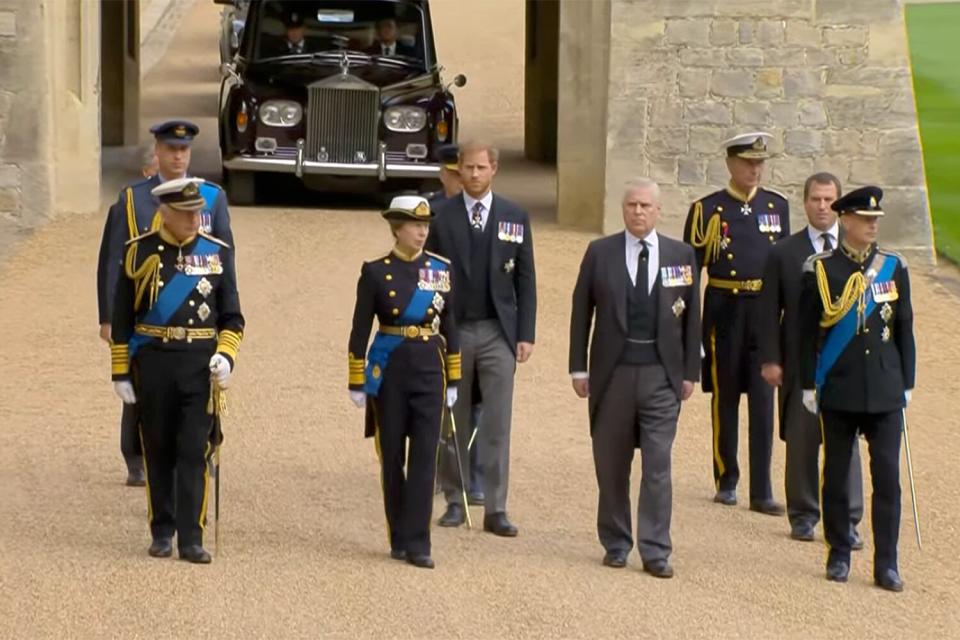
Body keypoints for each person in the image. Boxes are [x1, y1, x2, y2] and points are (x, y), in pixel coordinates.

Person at [569, 179, 700, 578]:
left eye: (645, 205)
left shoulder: (681, 254)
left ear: (658, 211)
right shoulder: (600, 252)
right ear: (622, 209)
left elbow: (693, 315)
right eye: (631, 205)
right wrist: (579, 366)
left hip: (662, 374)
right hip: (614, 374)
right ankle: (616, 541)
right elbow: (580, 311)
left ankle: (656, 548)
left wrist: (691, 371)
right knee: (611, 463)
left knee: (658, 464)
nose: (638, 212)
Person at [110, 178, 244, 564]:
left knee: (194, 450)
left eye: (197, 212)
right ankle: (162, 530)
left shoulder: (216, 254)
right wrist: (120, 372)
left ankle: (192, 536)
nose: (194, 220)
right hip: (153, 362)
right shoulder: (139, 253)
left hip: (199, 364)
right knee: (158, 448)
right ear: (165, 214)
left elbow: (233, 317)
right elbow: (123, 318)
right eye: (185, 213)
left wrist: (227, 356)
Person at [96, 120, 234, 486]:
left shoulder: (212, 197)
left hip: (197, 314)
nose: (177, 155)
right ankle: (136, 455)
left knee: (203, 387)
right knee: (140, 388)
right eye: (171, 149)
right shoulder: (133, 199)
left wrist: (224, 318)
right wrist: (109, 316)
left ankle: (203, 448)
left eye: (184, 150)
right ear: (156, 151)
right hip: (148, 314)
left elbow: (224, 259)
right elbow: (114, 260)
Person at [798, 186, 915, 592]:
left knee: (887, 479)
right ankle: (839, 553)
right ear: (845, 220)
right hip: (841, 385)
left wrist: (908, 381)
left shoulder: (893, 267)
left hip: (883, 387)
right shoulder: (821, 268)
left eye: (875, 220)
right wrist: (807, 384)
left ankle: (887, 563)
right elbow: (805, 333)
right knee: (835, 474)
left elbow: (903, 328)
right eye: (865, 220)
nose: (872, 226)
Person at [426, 141, 537, 536]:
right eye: (467, 168)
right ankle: (455, 501)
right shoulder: (440, 216)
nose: (473, 174)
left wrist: (526, 334)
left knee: (496, 422)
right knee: (452, 419)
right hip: (455, 330)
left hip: (498, 332)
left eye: (481, 168)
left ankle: (496, 507)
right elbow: (429, 275)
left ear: (494, 169)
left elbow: (525, 279)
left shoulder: (514, 216)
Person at [347, 195, 460, 569]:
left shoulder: (441, 270)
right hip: (391, 370)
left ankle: (419, 542)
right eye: (415, 225)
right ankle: (398, 532)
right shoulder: (376, 271)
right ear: (397, 228)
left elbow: (452, 326)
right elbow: (360, 328)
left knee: (426, 456)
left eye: (426, 225)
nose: (422, 231)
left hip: (429, 367)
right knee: (392, 455)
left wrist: (455, 376)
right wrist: (356, 379)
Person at [683, 131, 789, 514]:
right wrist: (691, 332)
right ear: (730, 164)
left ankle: (762, 490)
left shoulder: (777, 206)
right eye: (747, 163)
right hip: (725, 308)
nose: (754, 169)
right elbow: (691, 276)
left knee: (763, 401)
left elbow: (785, 269)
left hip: (763, 312)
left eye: (759, 163)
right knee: (725, 398)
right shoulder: (708, 210)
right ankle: (726, 477)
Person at [760, 173, 865, 545]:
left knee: (846, 443)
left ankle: (848, 519)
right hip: (800, 363)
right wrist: (771, 359)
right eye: (816, 199)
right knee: (803, 443)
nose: (822, 206)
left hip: (845, 365)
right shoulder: (783, 252)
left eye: (828, 199)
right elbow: (768, 311)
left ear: (838, 205)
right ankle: (803, 514)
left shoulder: (857, 252)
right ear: (804, 203)